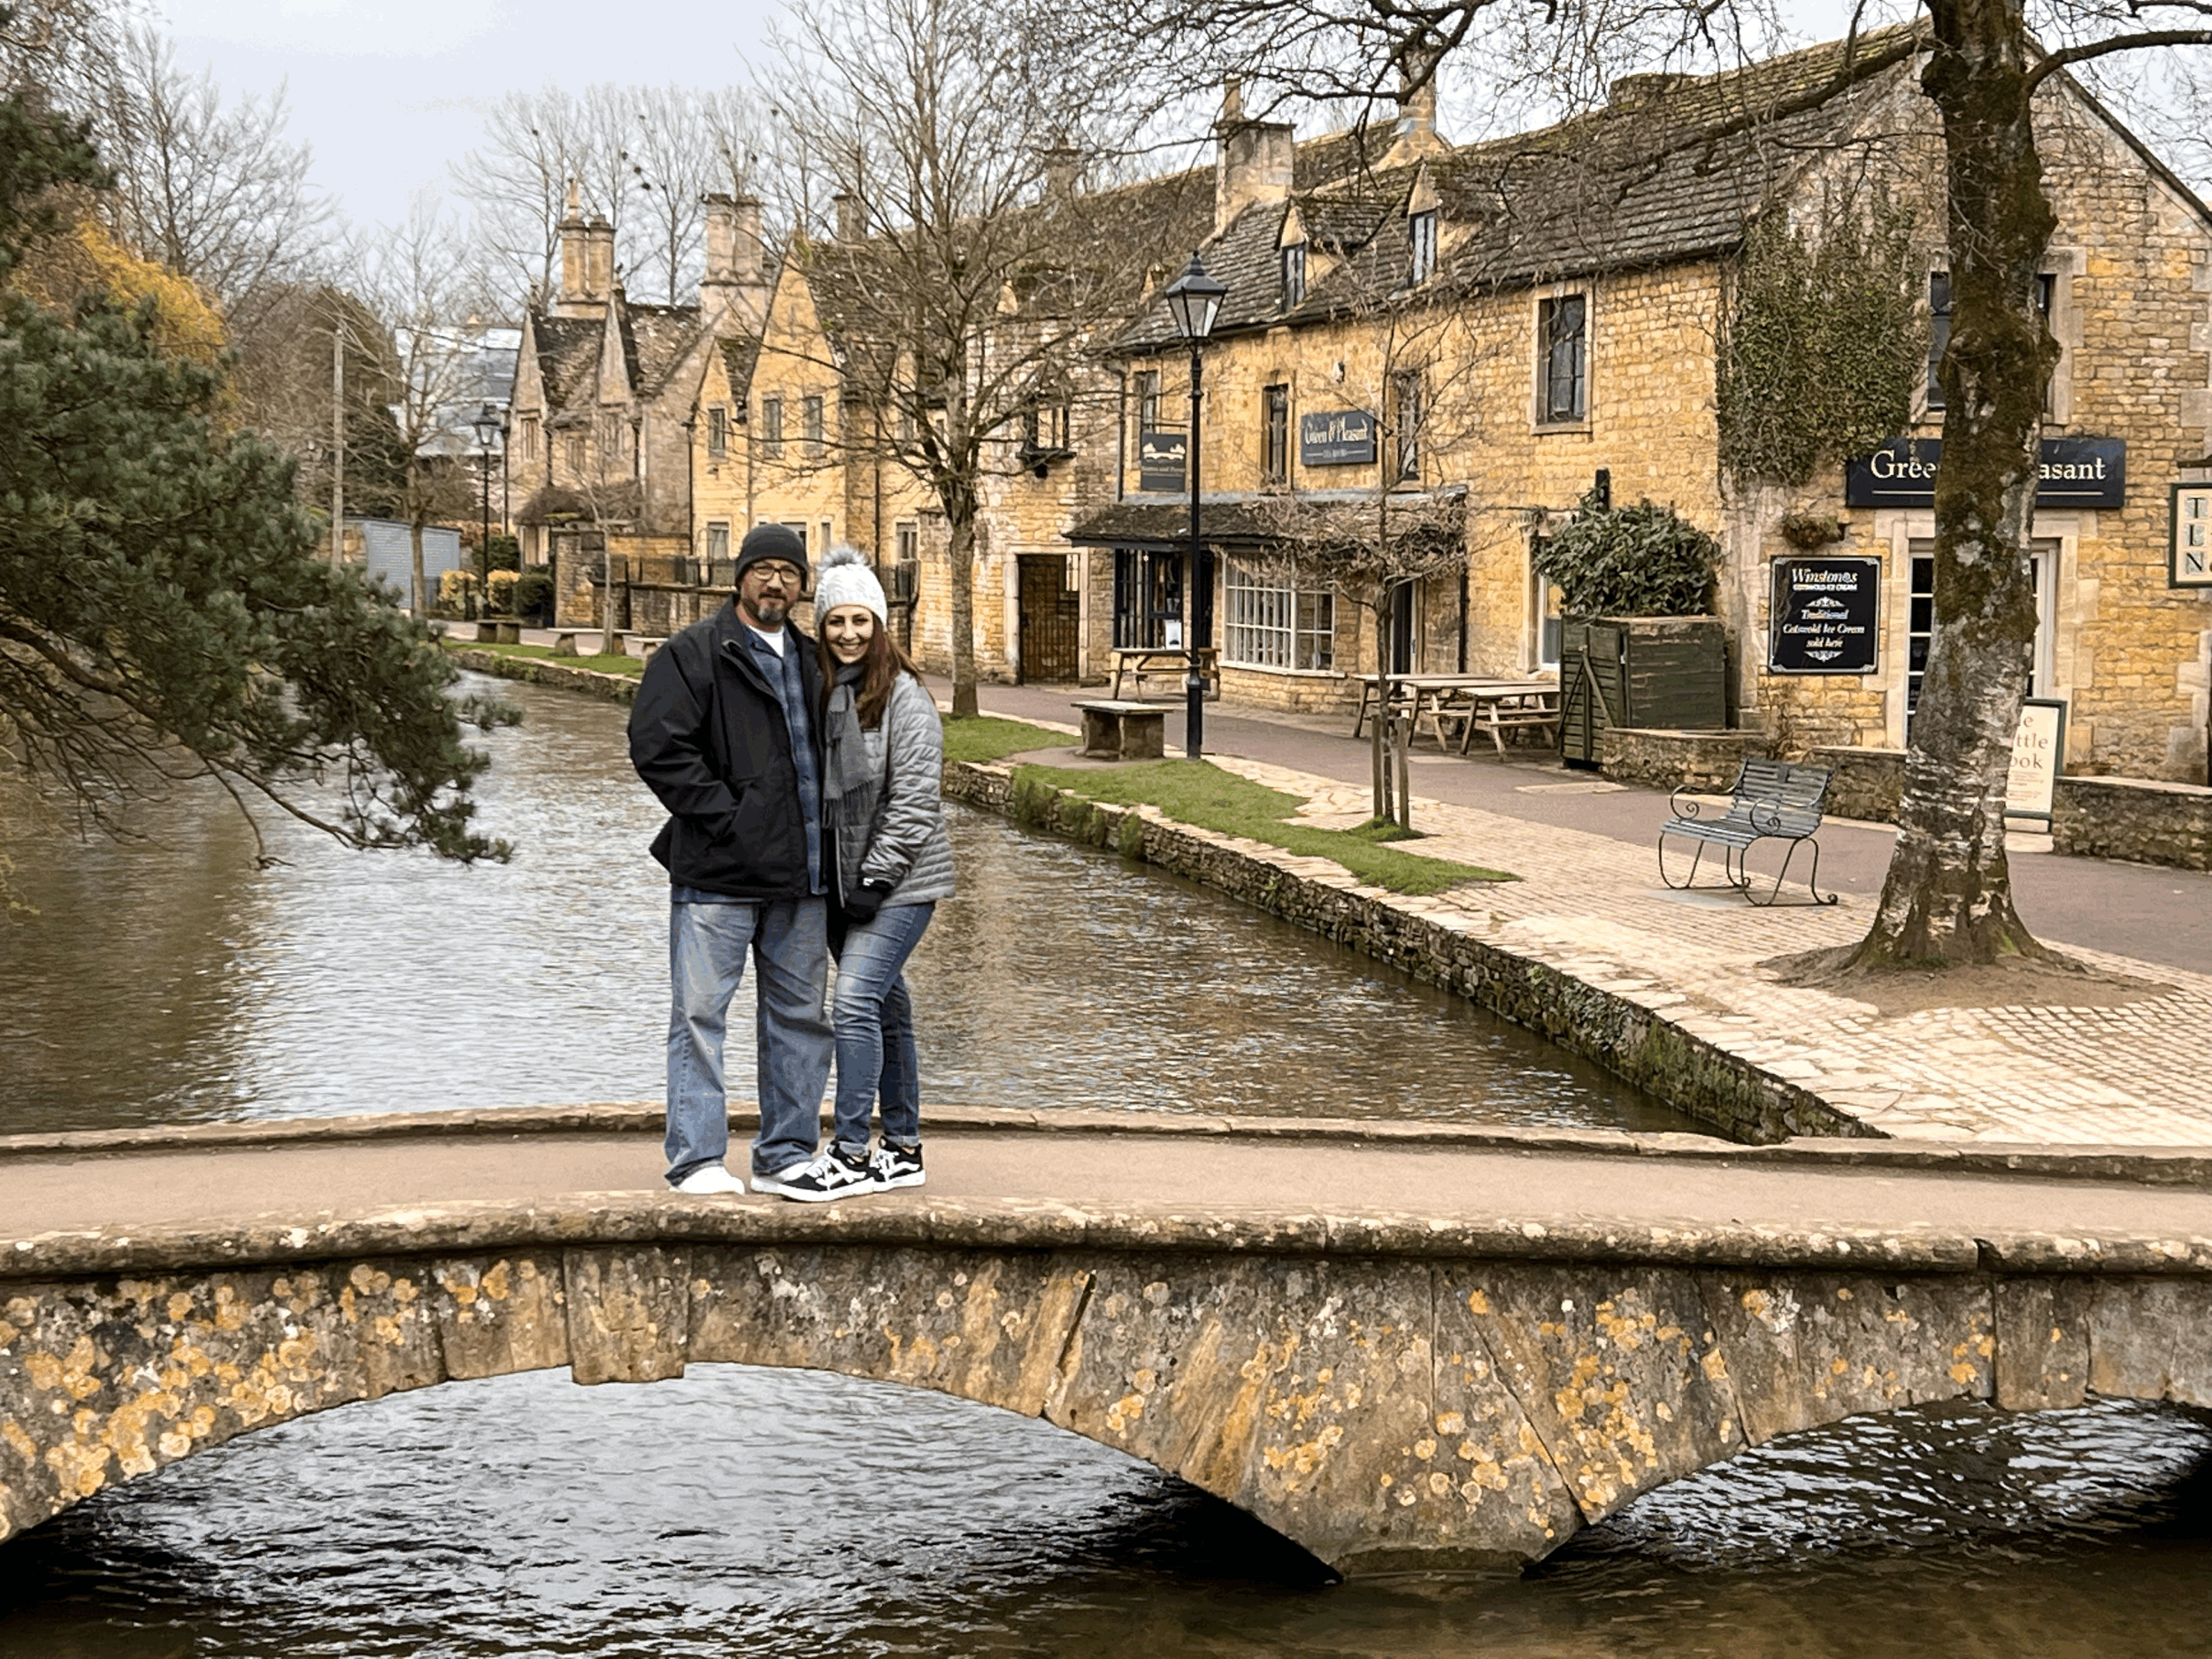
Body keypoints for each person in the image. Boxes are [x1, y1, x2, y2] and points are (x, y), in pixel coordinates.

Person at [628, 522, 849, 1200]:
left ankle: (785, 1152)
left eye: (789, 571)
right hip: (717, 877)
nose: (776, 582)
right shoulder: (693, 654)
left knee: (801, 1019)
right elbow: (657, 747)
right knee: (699, 1017)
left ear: (802, 585)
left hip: (802, 879)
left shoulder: (818, 661)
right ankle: (696, 1158)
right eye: (764, 569)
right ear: (740, 577)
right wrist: (730, 817)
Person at [799, 544, 956, 1202]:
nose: (849, 633)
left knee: (854, 1001)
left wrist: (874, 880)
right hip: (844, 883)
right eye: (837, 620)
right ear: (822, 625)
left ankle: (851, 1152)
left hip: (901, 882)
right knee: (889, 1005)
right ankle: (905, 1145)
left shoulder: (906, 698)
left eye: (861, 620)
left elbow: (916, 799)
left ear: (880, 624)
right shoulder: (823, 691)